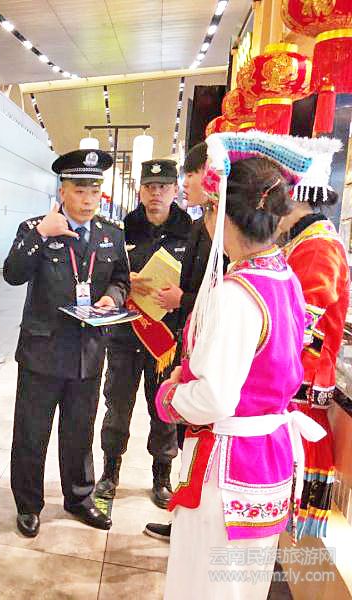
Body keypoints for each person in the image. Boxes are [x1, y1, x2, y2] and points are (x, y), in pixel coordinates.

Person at [156, 132, 326, 600]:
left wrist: (170, 396)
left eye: (209, 210)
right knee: (242, 583)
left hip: (229, 468)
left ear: (222, 213)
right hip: (266, 460)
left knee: (207, 585)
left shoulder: (236, 294)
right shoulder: (283, 276)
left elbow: (213, 398)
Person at [4, 149, 130, 537]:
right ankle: (28, 504)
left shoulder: (111, 233)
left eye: (94, 191)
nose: (89, 199)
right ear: (63, 191)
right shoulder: (36, 228)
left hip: (87, 352)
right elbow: (12, 273)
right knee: (31, 433)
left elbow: (121, 280)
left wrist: (112, 297)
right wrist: (42, 234)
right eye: (80, 190)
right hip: (42, 350)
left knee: (79, 432)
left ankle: (79, 497)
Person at [144, 143, 229, 540]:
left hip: (208, 347)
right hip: (186, 341)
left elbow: (224, 292)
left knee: (197, 430)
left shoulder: (225, 231)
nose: (185, 184)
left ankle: (191, 519)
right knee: (187, 434)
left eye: (188, 176)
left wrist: (184, 299)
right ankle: (185, 516)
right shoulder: (201, 225)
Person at [96, 159, 191, 509]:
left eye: (163, 187)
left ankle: (161, 475)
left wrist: (182, 297)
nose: (156, 194)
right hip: (125, 335)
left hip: (165, 341)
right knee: (116, 406)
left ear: (175, 190)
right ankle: (110, 471)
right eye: (150, 187)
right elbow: (102, 276)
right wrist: (124, 281)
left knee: (163, 407)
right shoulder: (122, 229)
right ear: (140, 191)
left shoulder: (192, 232)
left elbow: (202, 285)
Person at [277, 137, 348, 540]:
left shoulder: (319, 246)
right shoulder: (307, 240)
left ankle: (284, 551)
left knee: (297, 468)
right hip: (295, 377)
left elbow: (304, 324)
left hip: (300, 380)